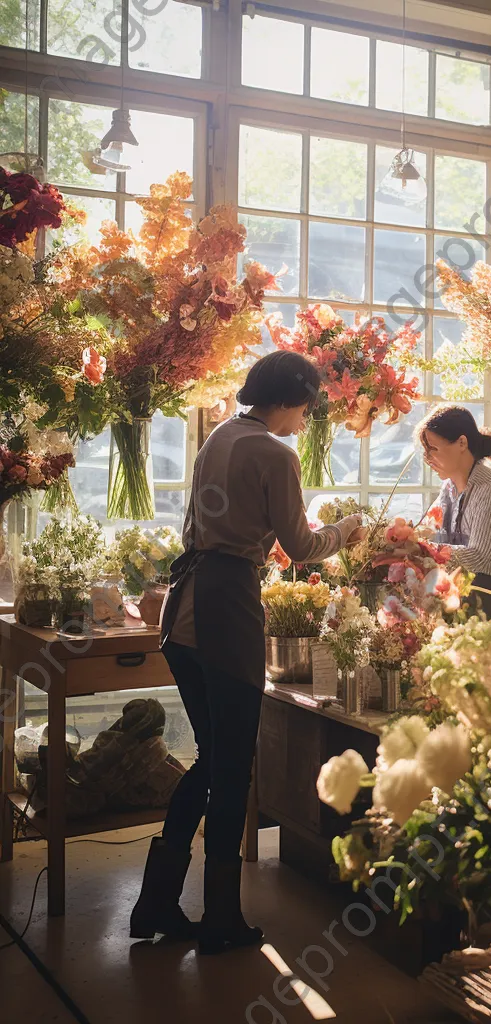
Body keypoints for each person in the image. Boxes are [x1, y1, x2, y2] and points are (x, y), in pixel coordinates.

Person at [130, 351, 361, 954]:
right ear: (289, 399)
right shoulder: (275, 454)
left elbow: (211, 527)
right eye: (306, 406)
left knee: (214, 759)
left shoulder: (219, 438)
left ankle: (157, 900)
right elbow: (303, 545)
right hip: (226, 610)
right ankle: (221, 918)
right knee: (230, 766)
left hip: (183, 610)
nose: (305, 419)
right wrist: (349, 531)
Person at [419, 405, 491, 619]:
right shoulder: (449, 488)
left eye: (433, 449)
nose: (428, 459)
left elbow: (477, 558)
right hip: (454, 601)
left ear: (462, 443)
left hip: (487, 607)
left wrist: (427, 550)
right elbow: (426, 533)